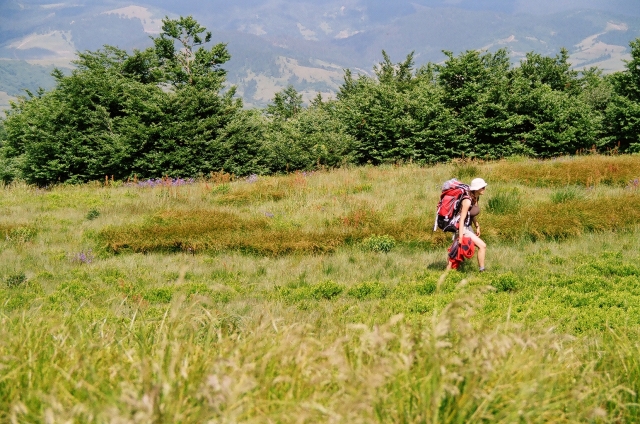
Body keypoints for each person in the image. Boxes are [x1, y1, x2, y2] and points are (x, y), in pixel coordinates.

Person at [447, 178, 487, 272]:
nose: (485, 189)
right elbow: (461, 219)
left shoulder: (476, 197)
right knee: (482, 246)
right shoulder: (467, 200)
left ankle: (448, 272)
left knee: (456, 250)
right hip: (462, 228)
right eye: (483, 187)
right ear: (477, 188)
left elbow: (471, 214)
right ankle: (482, 270)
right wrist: (461, 236)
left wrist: (477, 225)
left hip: (467, 227)